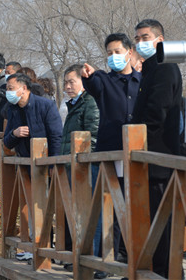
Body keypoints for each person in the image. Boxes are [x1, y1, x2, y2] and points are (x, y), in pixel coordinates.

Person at [81, 33, 141, 277]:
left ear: (129, 52)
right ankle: (108, 260)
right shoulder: (103, 80)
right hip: (110, 152)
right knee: (109, 208)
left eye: (117, 51)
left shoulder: (142, 81)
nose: (113, 57)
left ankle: (130, 258)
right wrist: (89, 75)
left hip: (137, 152)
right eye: (109, 53)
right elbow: (93, 84)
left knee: (133, 206)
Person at [132, 19, 183, 278]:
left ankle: (168, 274)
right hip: (146, 158)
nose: (141, 43)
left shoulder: (165, 68)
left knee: (164, 225)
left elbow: (156, 113)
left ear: (159, 39)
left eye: (146, 37)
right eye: (138, 38)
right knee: (149, 222)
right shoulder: (149, 70)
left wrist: (136, 138)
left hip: (160, 158)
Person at [61, 64, 100, 257]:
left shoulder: (90, 102)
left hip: (85, 165)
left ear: (83, 82)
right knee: (75, 211)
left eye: (72, 82)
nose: (67, 86)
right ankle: (77, 255)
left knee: (89, 212)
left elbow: (93, 134)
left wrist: (84, 160)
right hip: (72, 163)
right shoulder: (74, 103)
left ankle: (92, 256)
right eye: (65, 82)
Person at [3, 73, 62, 157]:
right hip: (23, 162)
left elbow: (56, 137)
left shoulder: (46, 105)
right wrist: (14, 134)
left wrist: (54, 164)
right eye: (7, 89)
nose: (8, 92)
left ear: (24, 88)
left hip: (44, 160)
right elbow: (6, 142)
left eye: (11, 88)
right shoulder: (12, 109)